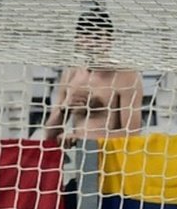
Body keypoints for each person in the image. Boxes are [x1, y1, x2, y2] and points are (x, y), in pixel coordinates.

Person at [43, 8, 143, 147]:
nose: (92, 44)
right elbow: (49, 135)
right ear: (77, 40)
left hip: (111, 156)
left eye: (97, 37)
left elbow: (132, 134)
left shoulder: (125, 77)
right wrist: (64, 108)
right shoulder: (71, 75)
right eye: (86, 36)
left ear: (110, 40)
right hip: (78, 156)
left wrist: (81, 138)